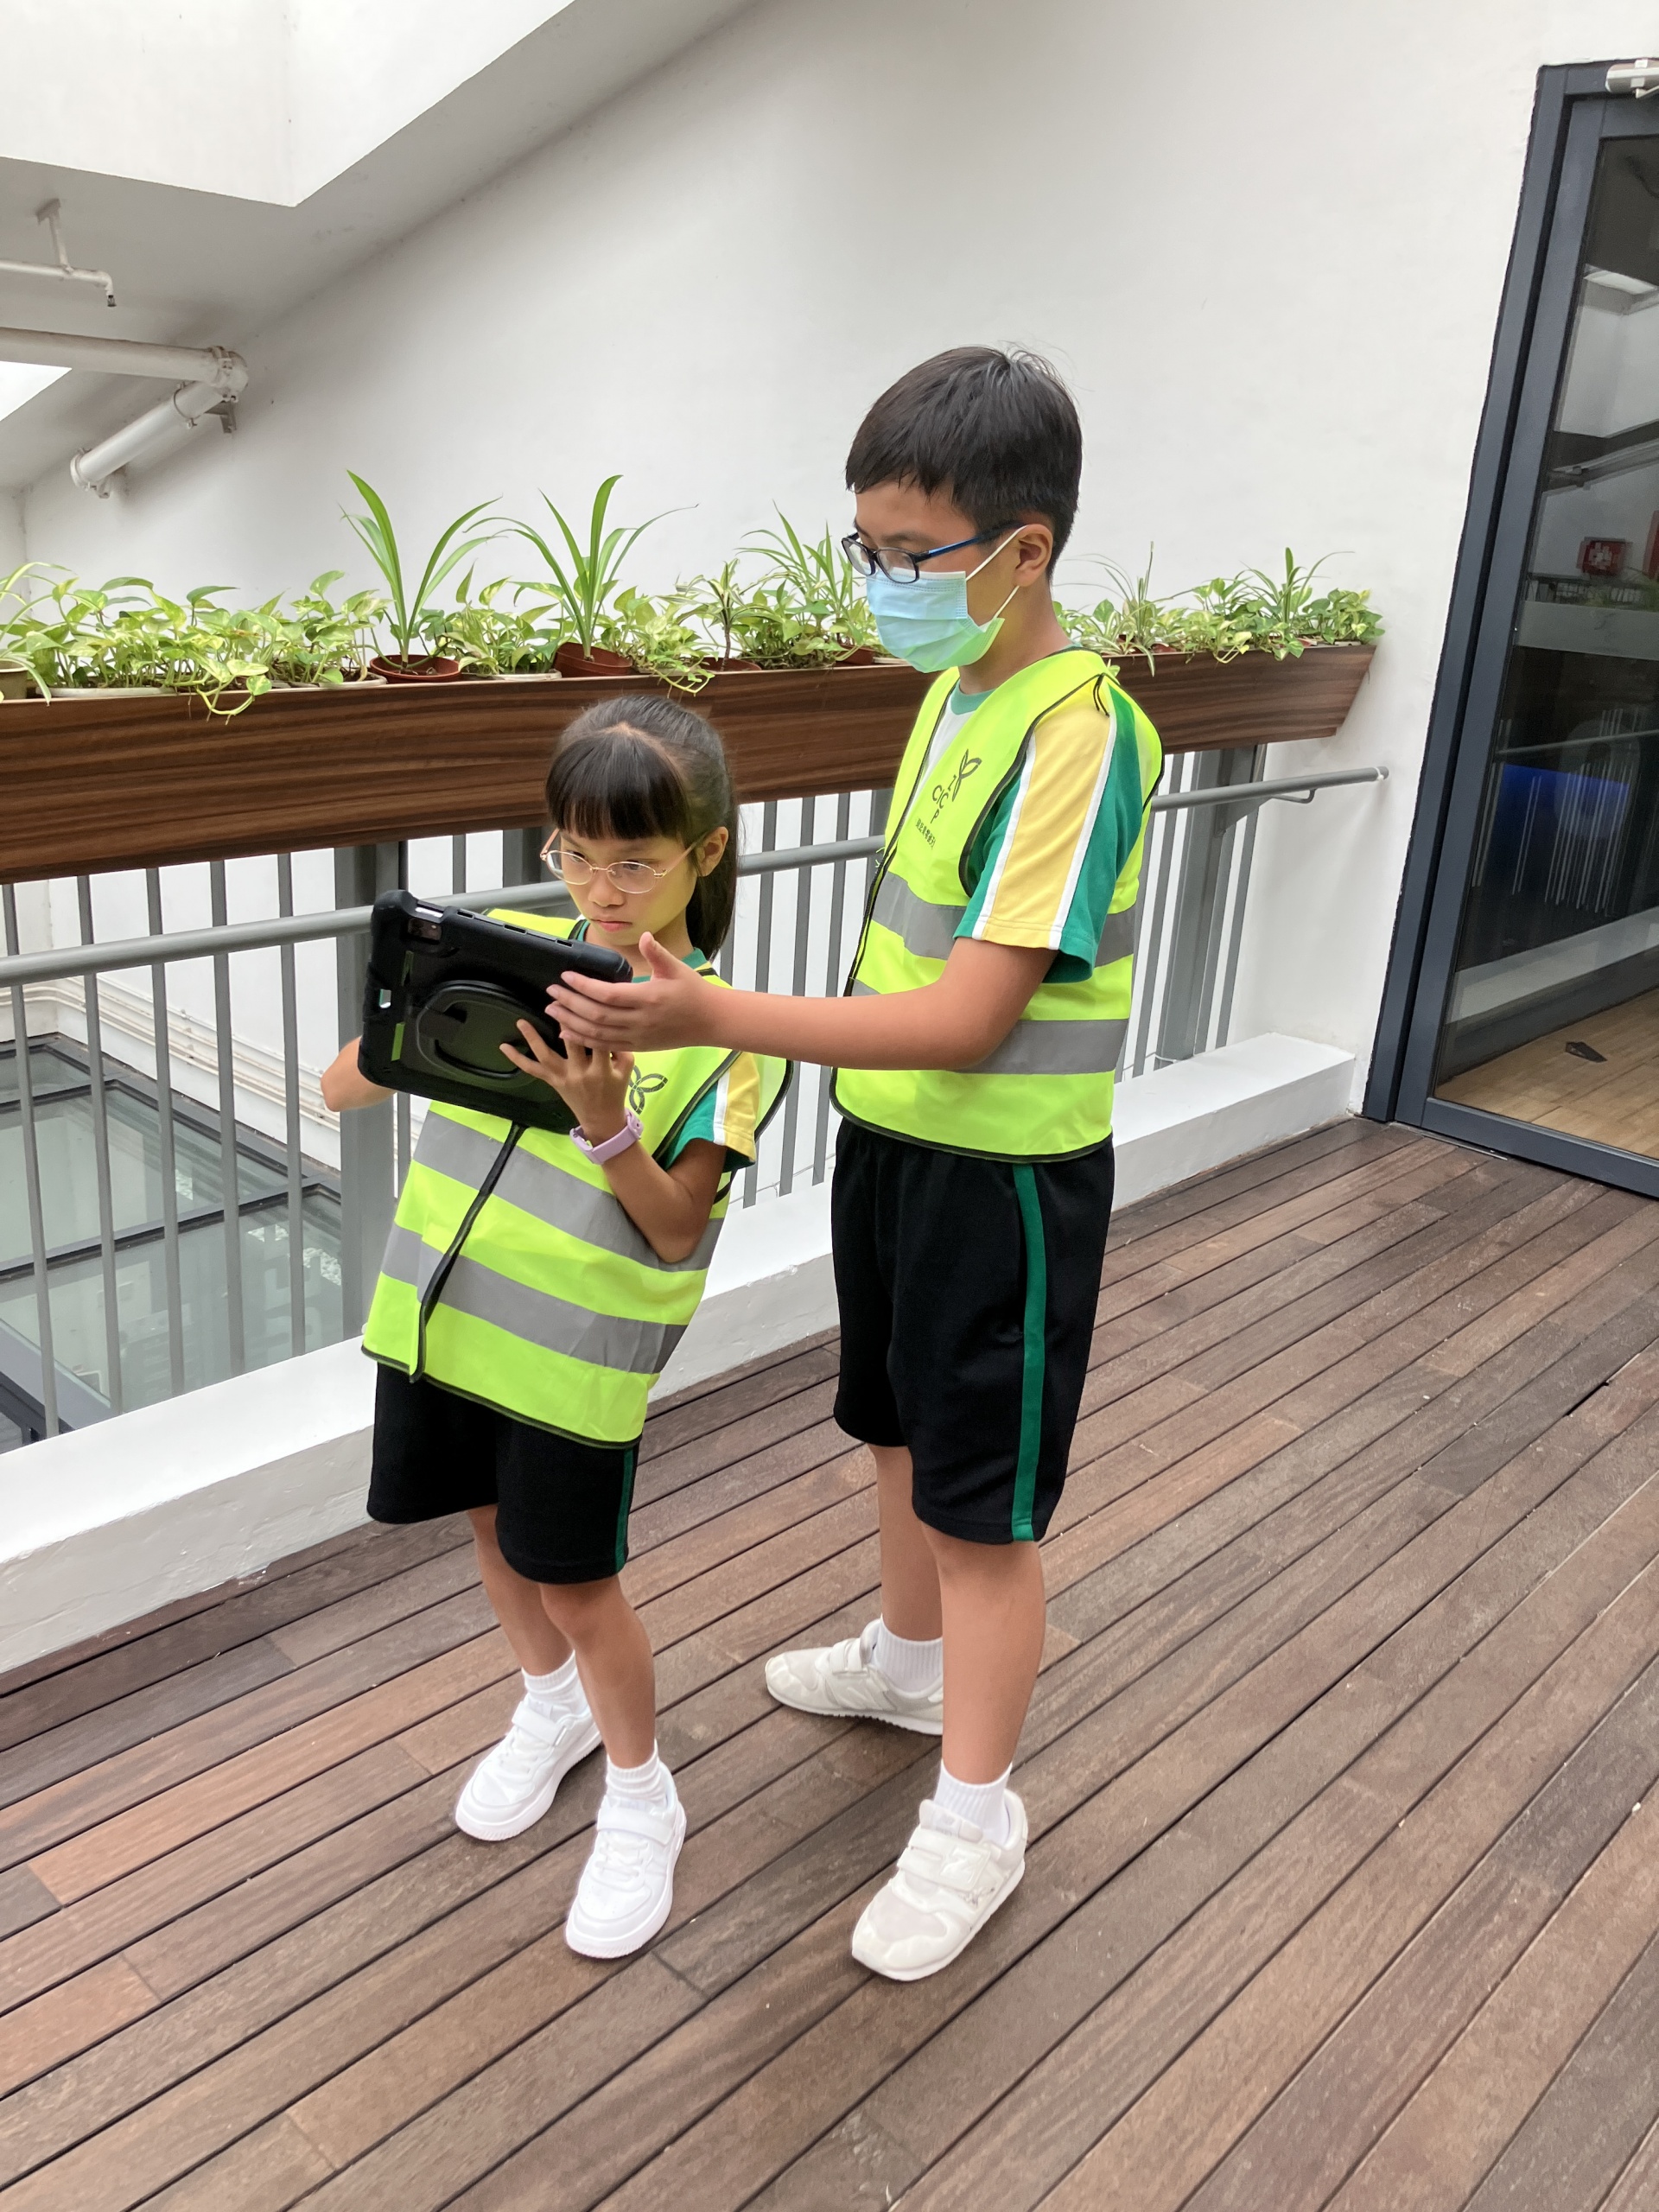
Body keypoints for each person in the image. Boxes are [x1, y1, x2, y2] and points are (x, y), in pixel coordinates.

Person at [547, 346, 1163, 1981]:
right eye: (868, 548)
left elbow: (972, 1015)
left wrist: (710, 1010)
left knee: (986, 1512)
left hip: (1003, 1180)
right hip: (893, 1144)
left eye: (910, 554)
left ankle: (976, 1817)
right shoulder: (958, 694)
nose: (882, 582)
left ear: (1024, 549)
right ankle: (905, 1664)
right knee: (892, 1428)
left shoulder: (1080, 735)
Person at [321, 696, 788, 1959]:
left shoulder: (722, 1035)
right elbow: (340, 1085)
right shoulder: (512, 952)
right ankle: (548, 1709)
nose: (598, 888)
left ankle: (643, 1795)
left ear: (706, 852)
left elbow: (676, 1230)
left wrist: (604, 1122)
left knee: (579, 1584)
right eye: (574, 854)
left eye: (633, 861)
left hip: (575, 1364)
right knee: (490, 1532)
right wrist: (413, 1015)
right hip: (447, 1320)